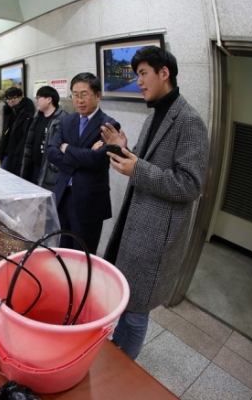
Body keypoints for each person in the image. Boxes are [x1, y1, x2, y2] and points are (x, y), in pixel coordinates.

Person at [101, 46, 209, 360]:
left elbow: (191, 185)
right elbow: (147, 163)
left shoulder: (189, 121)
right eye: (136, 76)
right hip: (135, 226)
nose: (139, 82)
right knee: (126, 301)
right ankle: (115, 357)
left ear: (165, 73)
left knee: (136, 313)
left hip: (155, 237)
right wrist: (123, 148)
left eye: (143, 74)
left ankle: (123, 372)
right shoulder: (155, 115)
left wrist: (139, 168)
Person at [46, 72, 119, 255]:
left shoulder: (109, 125)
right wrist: (84, 155)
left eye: (84, 94)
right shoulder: (66, 121)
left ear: (97, 95)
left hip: (89, 200)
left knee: (84, 253)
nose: (79, 100)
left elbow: (96, 160)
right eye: (75, 95)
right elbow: (52, 153)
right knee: (62, 251)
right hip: (63, 196)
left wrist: (67, 148)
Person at [20, 86, 67, 191]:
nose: (36, 101)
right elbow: (30, 143)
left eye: (38, 98)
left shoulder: (62, 119)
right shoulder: (37, 116)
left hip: (48, 169)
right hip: (34, 166)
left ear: (49, 99)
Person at [0, 87, 35, 176]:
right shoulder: (8, 110)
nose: (10, 101)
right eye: (7, 99)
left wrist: (17, 150)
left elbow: (25, 134)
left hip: (18, 151)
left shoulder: (27, 112)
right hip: (7, 148)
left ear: (20, 97)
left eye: (13, 98)